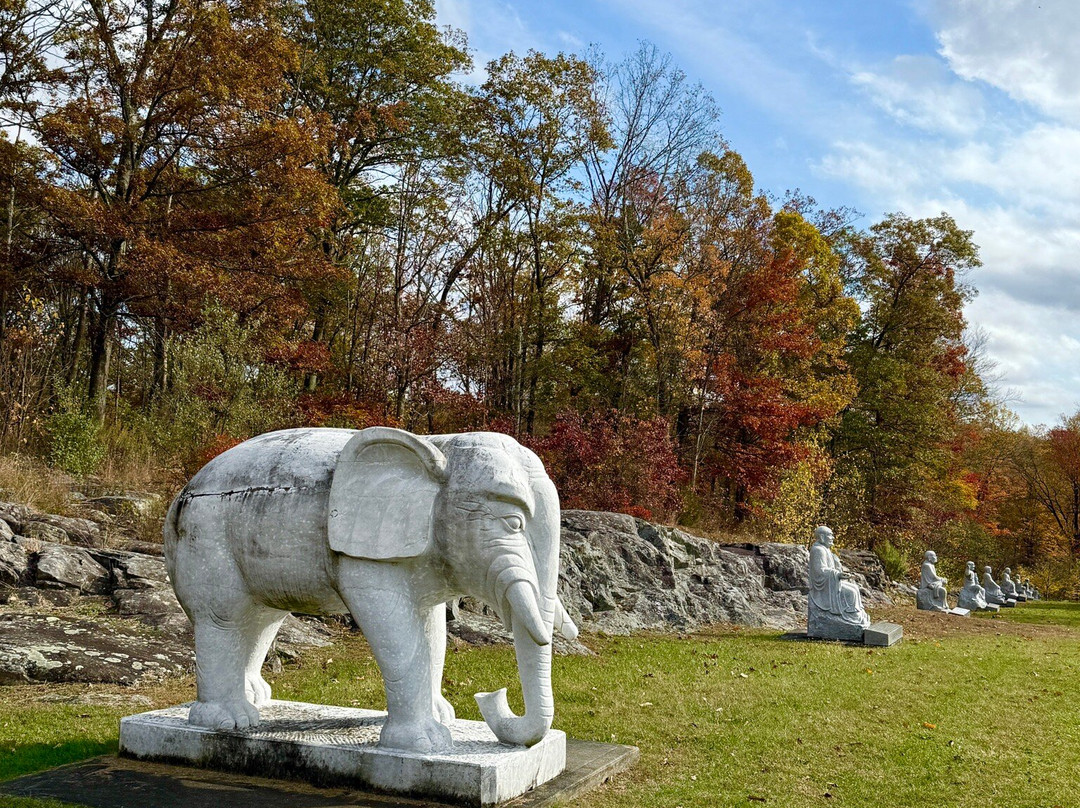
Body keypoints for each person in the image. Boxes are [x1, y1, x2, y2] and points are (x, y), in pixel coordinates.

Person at [807, 525, 870, 639]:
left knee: (854, 587)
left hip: (831, 582)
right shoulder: (818, 550)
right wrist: (836, 574)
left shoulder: (826, 550)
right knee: (850, 592)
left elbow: (830, 568)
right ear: (822, 537)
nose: (833, 537)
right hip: (823, 588)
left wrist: (838, 570)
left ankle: (855, 615)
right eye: (830, 535)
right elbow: (819, 572)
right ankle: (850, 617)